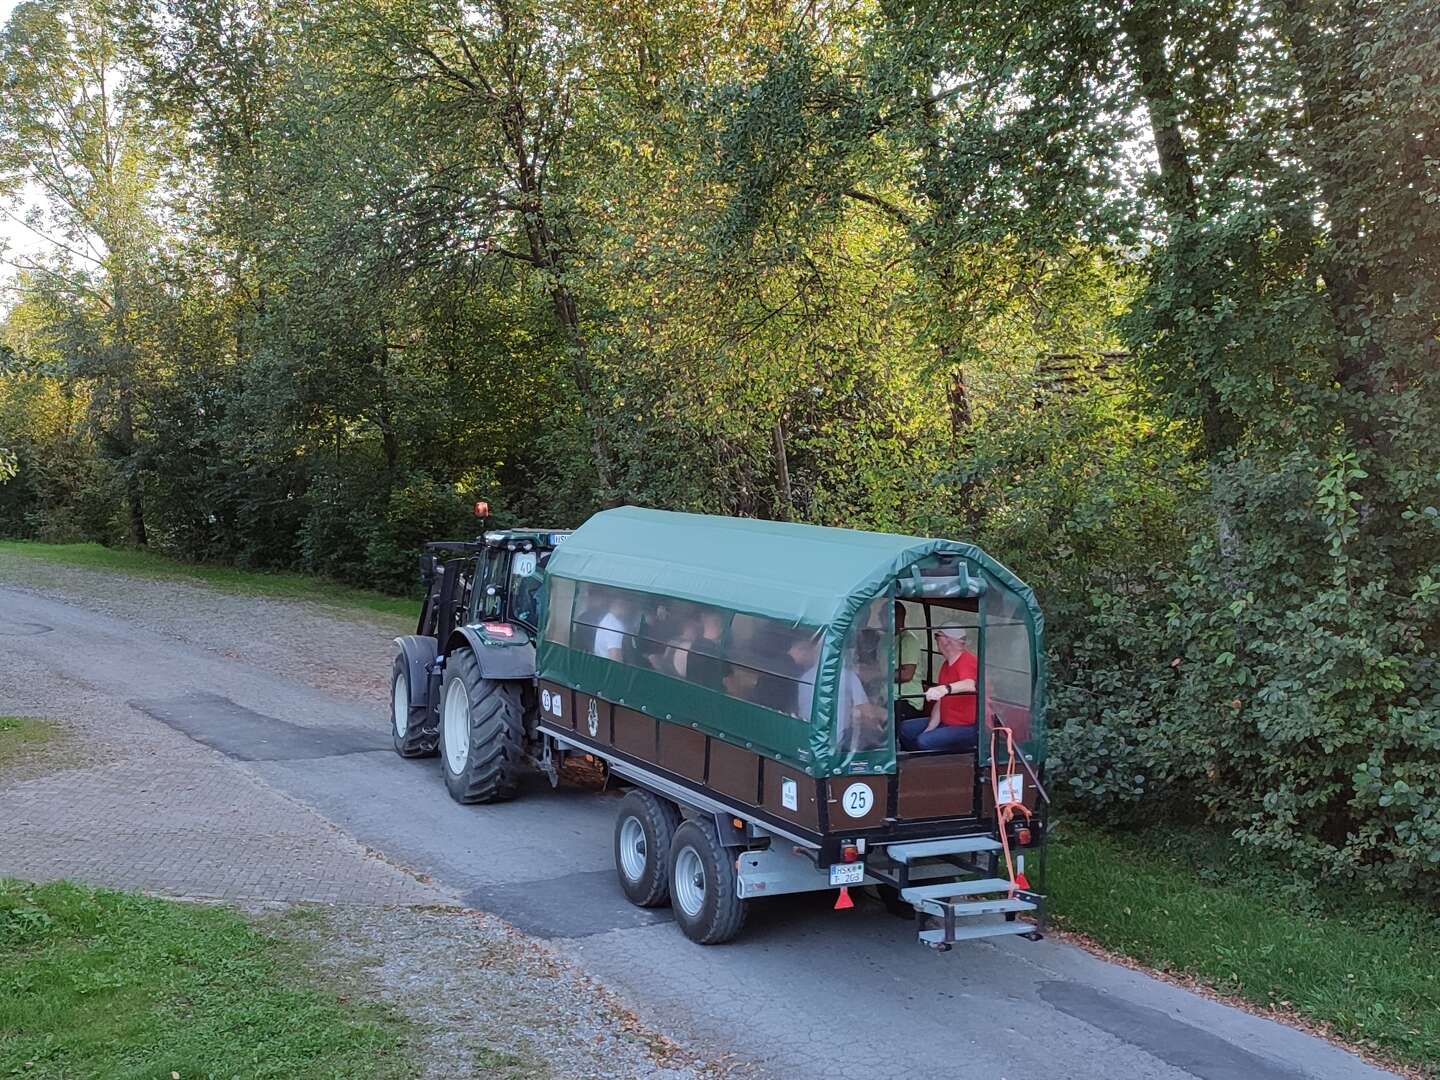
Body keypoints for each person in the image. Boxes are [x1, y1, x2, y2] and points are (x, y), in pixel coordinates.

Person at [898, 626, 978, 752]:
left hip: (969, 727)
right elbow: (941, 703)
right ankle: (916, 763)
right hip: (946, 722)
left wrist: (944, 689)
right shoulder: (945, 665)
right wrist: (930, 728)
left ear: (947, 640)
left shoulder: (967, 661)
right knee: (905, 728)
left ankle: (937, 767)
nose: (935, 640)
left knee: (924, 741)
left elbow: (971, 684)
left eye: (937, 636)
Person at [894, 602, 925, 722]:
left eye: (883, 615)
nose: (881, 619)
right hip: (886, 697)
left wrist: (880, 676)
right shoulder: (884, 639)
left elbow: (906, 674)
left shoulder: (909, 640)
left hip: (906, 700)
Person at [591, 592, 637, 662]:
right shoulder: (615, 626)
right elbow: (615, 658)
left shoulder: (607, 618)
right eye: (627, 605)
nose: (629, 609)